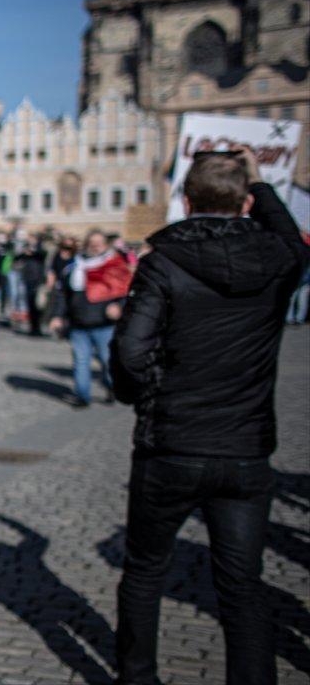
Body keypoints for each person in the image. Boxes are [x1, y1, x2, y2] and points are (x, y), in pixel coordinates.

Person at [110, 150, 309, 685]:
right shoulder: (279, 259)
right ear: (244, 202)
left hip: (171, 441)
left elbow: (130, 352)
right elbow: (294, 239)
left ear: (186, 199)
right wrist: (263, 185)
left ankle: (138, 678)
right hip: (245, 447)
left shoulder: (163, 261)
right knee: (243, 584)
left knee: (146, 573)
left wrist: (145, 396)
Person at [48, 230, 129, 407]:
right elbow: (63, 295)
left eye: (99, 243)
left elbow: (125, 292)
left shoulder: (114, 265)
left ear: (105, 245)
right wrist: (57, 316)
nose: (95, 246)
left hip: (104, 324)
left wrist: (119, 307)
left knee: (107, 361)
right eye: (91, 243)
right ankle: (82, 395)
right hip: (78, 323)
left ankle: (112, 388)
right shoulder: (74, 266)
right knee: (80, 360)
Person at [17, 234, 47, 336]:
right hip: (28, 279)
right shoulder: (25, 249)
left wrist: (32, 251)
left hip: (38, 280)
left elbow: (42, 255)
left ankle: (38, 327)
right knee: (30, 304)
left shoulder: (40, 249)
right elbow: (17, 257)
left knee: (38, 305)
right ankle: (33, 327)